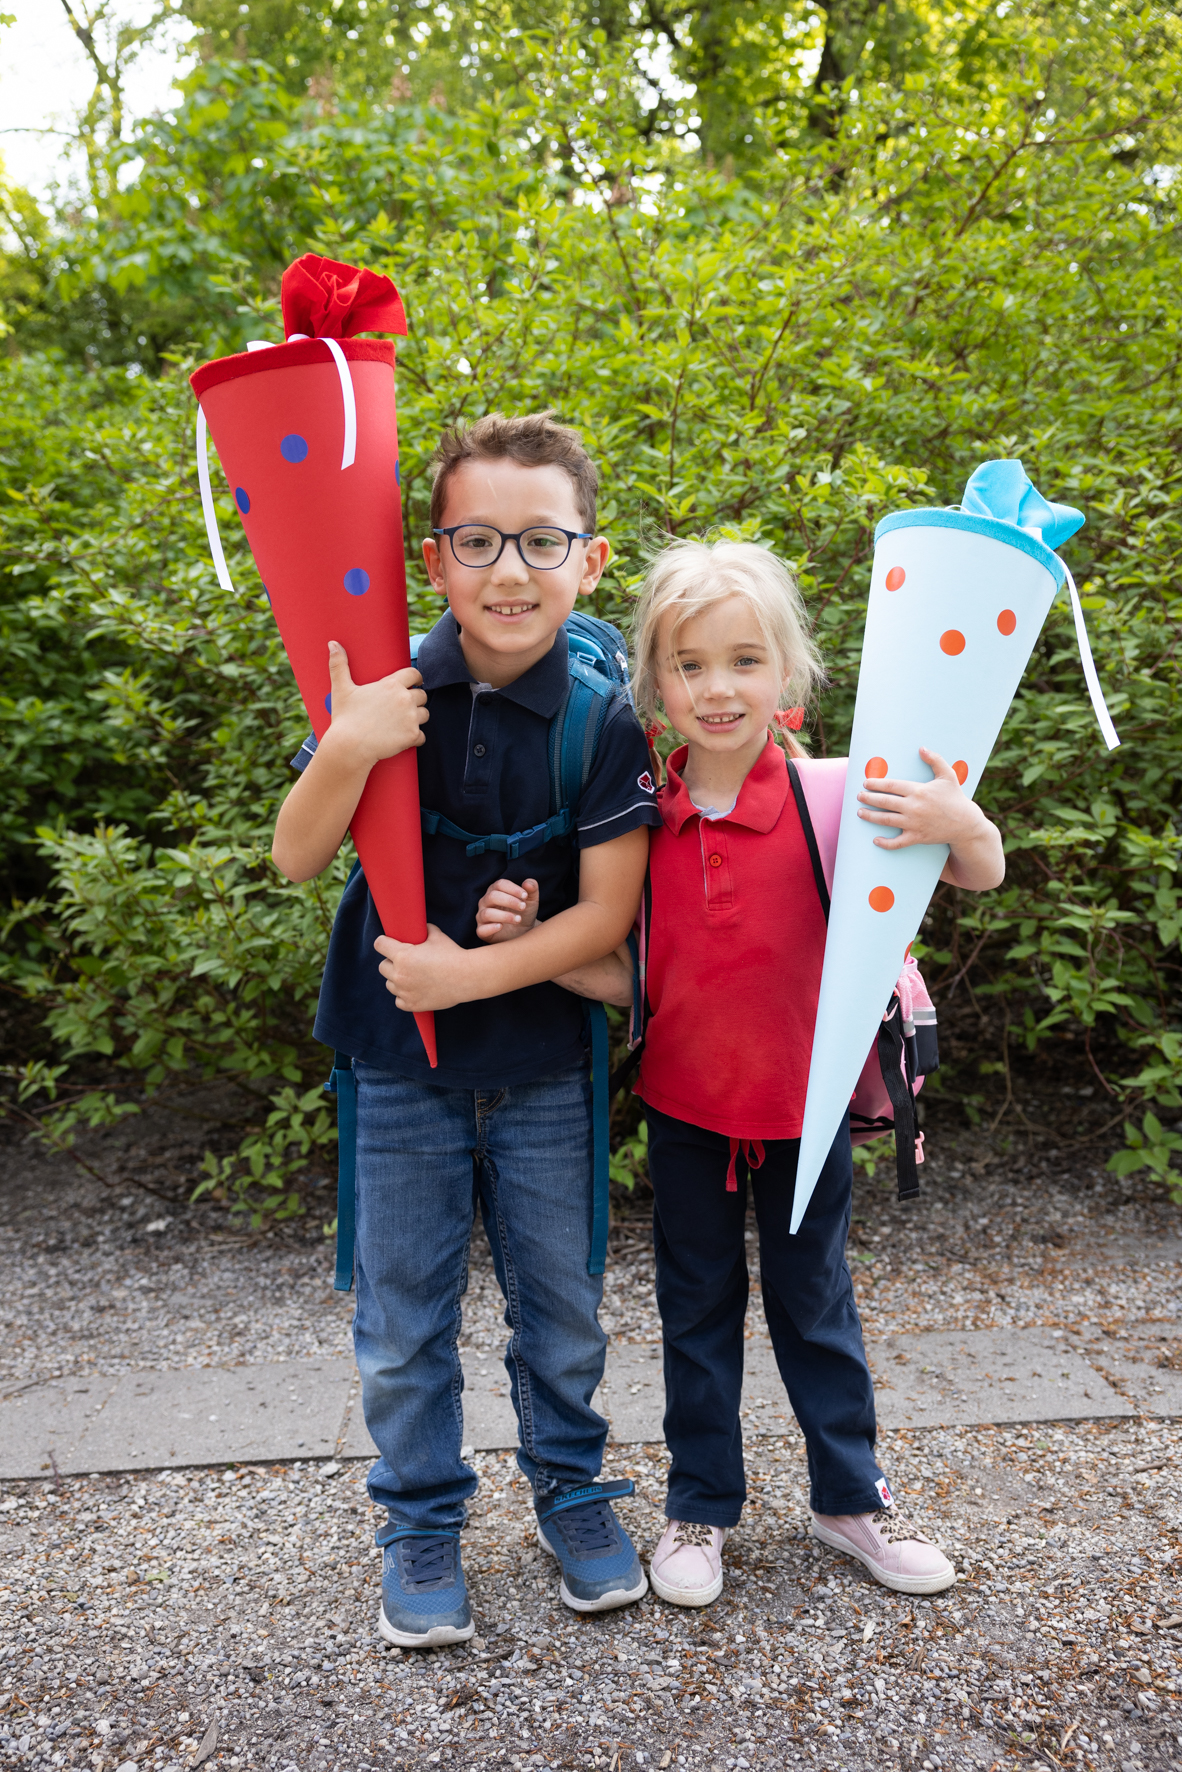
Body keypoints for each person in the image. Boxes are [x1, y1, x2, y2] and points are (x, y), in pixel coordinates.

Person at [476, 538, 1005, 1606]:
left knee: (817, 1307)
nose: (719, 687)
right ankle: (700, 1507)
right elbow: (634, 975)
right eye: (690, 664)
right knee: (697, 1313)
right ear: (655, 685)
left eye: (745, 660)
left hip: (806, 1116)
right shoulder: (640, 823)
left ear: (789, 673)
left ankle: (850, 1499)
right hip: (688, 1113)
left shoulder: (838, 795)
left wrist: (961, 821)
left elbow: (976, 869)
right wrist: (514, 942)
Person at [272, 412, 661, 1647]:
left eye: (542, 541)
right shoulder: (387, 685)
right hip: (396, 1065)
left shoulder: (601, 717)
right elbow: (296, 855)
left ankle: (574, 1492)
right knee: (400, 1315)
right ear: (431, 558)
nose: (510, 569)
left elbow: (612, 913)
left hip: (544, 1063)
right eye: (479, 539)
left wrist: (474, 971)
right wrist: (350, 743)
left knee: (563, 1304)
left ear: (589, 562)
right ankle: (421, 1517)